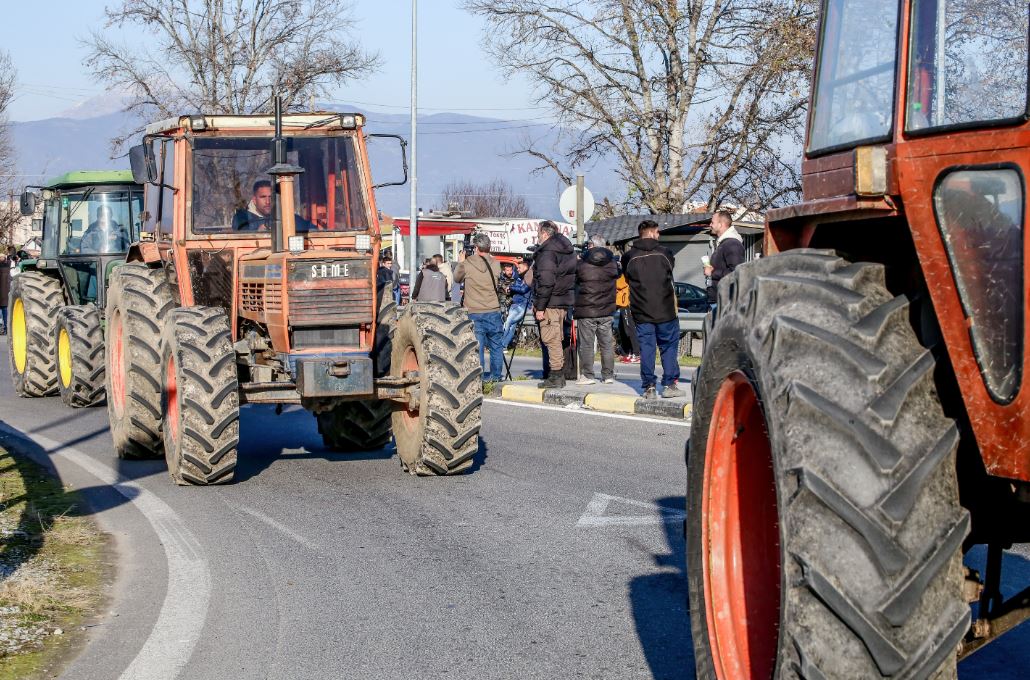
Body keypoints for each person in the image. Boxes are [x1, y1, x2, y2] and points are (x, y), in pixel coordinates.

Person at [622, 220, 682, 399]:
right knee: (668, 347)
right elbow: (671, 271)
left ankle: (649, 387)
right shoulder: (664, 253)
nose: (659, 235)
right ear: (652, 233)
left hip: (641, 310)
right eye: (658, 232)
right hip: (666, 309)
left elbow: (626, 277)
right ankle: (670, 384)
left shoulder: (628, 257)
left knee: (647, 348)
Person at [454, 232, 505, 384]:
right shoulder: (495, 263)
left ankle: (479, 378)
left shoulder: (468, 263)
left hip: (474, 311)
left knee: (478, 347)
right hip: (493, 310)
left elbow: (457, 278)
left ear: (476, 247)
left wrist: (461, 262)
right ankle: (496, 377)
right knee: (496, 345)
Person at [531, 221, 577, 388]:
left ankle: (556, 375)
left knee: (551, 339)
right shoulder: (566, 249)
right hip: (563, 300)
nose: (537, 236)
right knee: (557, 338)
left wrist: (540, 307)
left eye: (538, 233)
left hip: (550, 301)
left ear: (544, 233)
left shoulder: (548, 252)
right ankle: (558, 374)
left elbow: (547, 281)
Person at [574, 234, 619, 385]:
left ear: (591, 245)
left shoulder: (581, 264)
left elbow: (574, 279)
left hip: (586, 310)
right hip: (606, 309)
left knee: (586, 344)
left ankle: (587, 375)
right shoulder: (612, 263)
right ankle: (608, 376)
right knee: (606, 344)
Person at [704, 210, 745, 307]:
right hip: (719, 300)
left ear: (721, 224)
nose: (710, 225)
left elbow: (737, 272)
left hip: (725, 303)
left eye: (712, 222)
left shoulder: (732, 244)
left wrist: (712, 273)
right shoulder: (724, 243)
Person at [502, 259, 533, 348]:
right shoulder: (519, 277)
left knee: (508, 322)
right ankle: (504, 346)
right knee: (511, 326)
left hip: (522, 305)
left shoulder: (529, 276)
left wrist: (511, 287)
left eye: (519, 267)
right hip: (515, 304)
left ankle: (499, 345)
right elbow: (517, 287)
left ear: (525, 266)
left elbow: (523, 289)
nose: (517, 269)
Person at [615, 273, 640, 363]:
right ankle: (627, 352)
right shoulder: (621, 273)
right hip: (621, 303)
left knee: (629, 329)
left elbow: (620, 284)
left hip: (626, 302)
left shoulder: (624, 274)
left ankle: (637, 353)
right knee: (622, 328)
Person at [0, 249, 10, 335]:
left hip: (3, 295)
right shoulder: (8, 267)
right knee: (5, 312)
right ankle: (6, 328)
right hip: (5, 295)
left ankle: (2, 328)